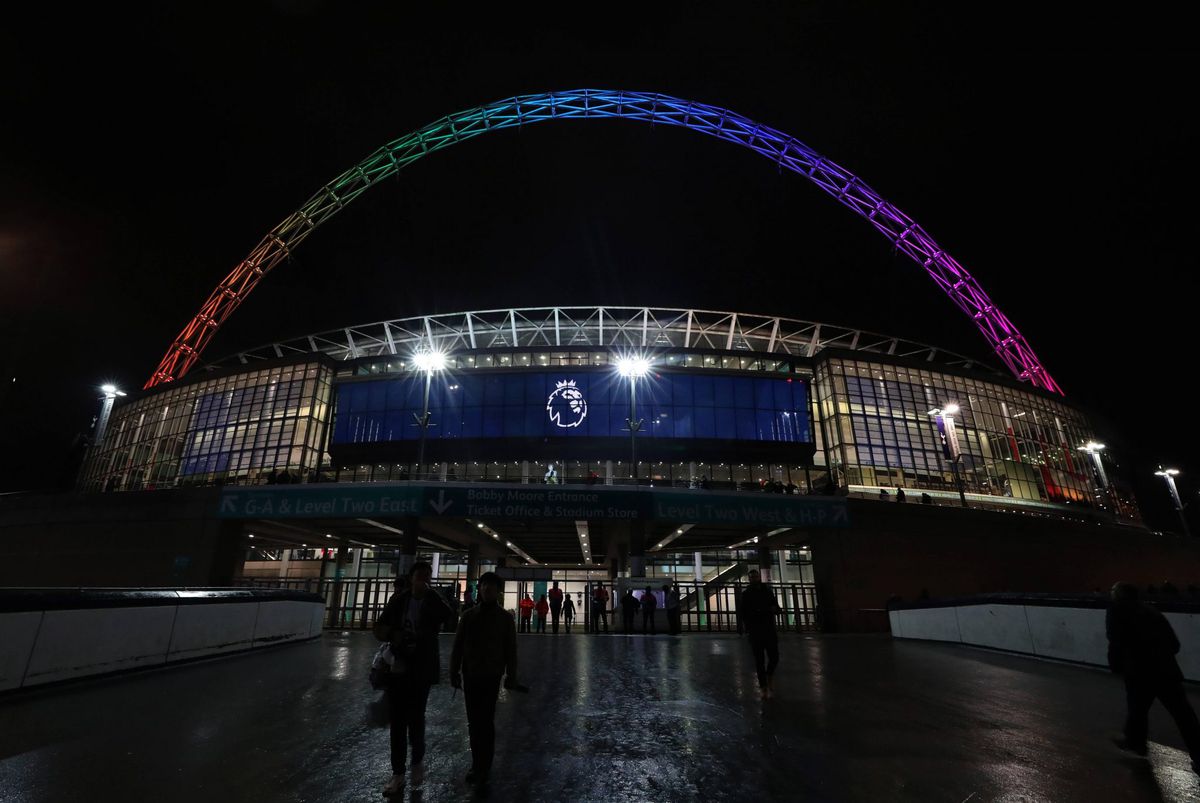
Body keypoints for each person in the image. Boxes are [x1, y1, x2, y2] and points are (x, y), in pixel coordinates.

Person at [373, 562, 453, 796]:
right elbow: (379, 627)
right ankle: (398, 773)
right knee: (398, 721)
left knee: (416, 717)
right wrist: (395, 635)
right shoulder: (399, 600)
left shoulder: (433, 600)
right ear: (411, 577)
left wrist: (434, 595)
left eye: (428, 576)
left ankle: (416, 761)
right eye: (420, 576)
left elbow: (449, 616)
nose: (424, 580)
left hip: (422, 667)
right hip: (398, 666)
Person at [1106, 582, 1200, 770]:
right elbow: (1174, 645)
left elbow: (1115, 640)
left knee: (1137, 709)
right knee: (1183, 715)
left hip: (1139, 673)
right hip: (1166, 671)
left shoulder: (1117, 612)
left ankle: (1136, 744)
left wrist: (1117, 665)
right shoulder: (1152, 612)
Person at [449, 572, 522, 789]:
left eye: (491, 586)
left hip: (491, 675)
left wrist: (511, 675)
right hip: (471, 674)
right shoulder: (469, 616)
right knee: (474, 722)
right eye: (484, 585)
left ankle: (484, 766)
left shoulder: (505, 618)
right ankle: (477, 764)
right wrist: (454, 672)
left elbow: (511, 650)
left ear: (498, 591)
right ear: (479, 589)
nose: (487, 589)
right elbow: (458, 646)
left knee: (486, 721)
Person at [738, 569, 782, 699]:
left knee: (773, 657)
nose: (754, 579)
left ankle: (767, 679)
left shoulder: (764, 592)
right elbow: (744, 612)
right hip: (758, 630)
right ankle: (764, 686)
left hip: (765, 629)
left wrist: (775, 610)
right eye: (753, 577)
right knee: (760, 660)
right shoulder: (748, 594)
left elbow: (775, 606)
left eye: (755, 576)